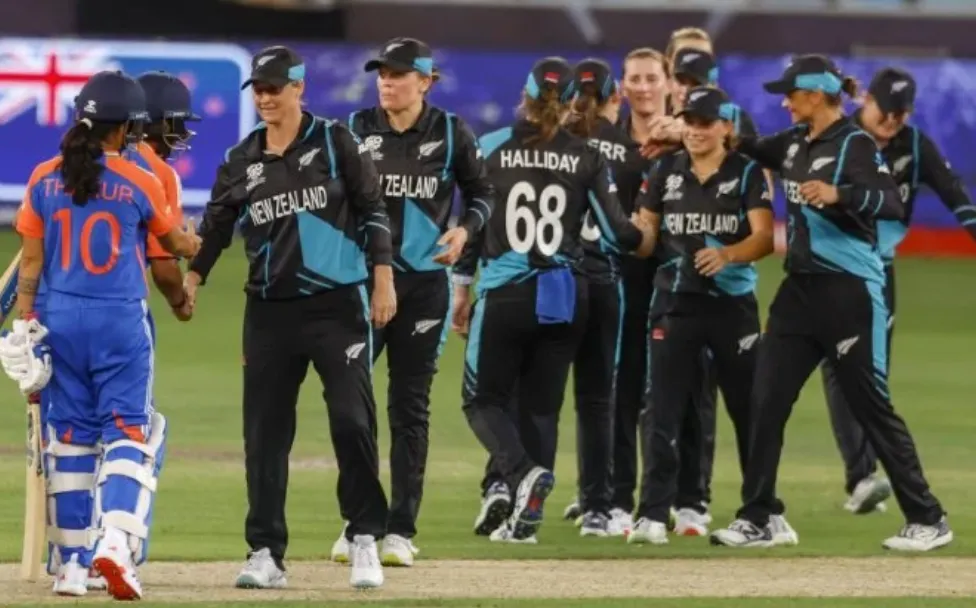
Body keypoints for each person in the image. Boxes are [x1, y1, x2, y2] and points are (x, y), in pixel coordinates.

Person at [710, 54, 952, 552]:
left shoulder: (855, 144)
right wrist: (712, 132)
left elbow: (888, 201)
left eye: (791, 93)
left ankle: (928, 518)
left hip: (850, 291)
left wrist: (839, 193)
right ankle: (759, 516)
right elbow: (751, 145)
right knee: (765, 398)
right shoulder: (794, 141)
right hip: (799, 292)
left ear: (816, 95)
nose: (784, 102)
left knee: (870, 406)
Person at [184, 45, 396, 589]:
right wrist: (193, 278)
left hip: (337, 304)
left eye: (274, 88)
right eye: (258, 89)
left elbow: (373, 208)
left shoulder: (336, 141)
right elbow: (216, 227)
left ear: (299, 88)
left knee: (353, 421)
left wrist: (383, 278)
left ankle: (364, 537)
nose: (264, 97)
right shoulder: (241, 158)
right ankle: (265, 552)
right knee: (265, 434)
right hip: (269, 313)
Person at [6, 70, 200, 600]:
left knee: (70, 439)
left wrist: (25, 326)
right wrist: (196, 243)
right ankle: (114, 541)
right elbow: (173, 244)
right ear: (128, 128)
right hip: (118, 321)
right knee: (130, 433)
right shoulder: (139, 179)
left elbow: (30, 264)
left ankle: (71, 566)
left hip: (58, 319)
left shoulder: (43, 177)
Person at [453, 56, 653, 544]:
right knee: (542, 408)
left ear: (523, 96)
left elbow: (475, 219)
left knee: (482, 399)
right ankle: (525, 523)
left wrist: (460, 286)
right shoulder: (587, 156)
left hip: (505, 289)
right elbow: (618, 235)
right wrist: (645, 226)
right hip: (565, 292)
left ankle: (521, 476)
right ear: (570, 104)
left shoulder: (491, 146)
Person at [330, 37, 495, 567]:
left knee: (408, 407)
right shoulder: (355, 129)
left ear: (426, 82)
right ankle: (359, 521)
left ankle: (399, 530)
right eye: (382, 73)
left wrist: (465, 230)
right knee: (350, 406)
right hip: (363, 283)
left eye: (398, 74)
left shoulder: (450, 132)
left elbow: (483, 194)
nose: (387, 82)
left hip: (425, 286)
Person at [821, 66, 976, 515]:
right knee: (838, 367)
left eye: (901, 114)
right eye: (885, 111)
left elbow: (953, 192)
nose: (892, 121)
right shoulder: (838, 137)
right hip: (831, 267)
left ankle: (869, 478)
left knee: (870, 373)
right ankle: (861, 477)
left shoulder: (914, 144)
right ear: (867, 101)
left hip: (879, 270)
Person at [629, 87, 774, 544]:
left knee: (748, 410)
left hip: (732, 305)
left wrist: (727, 255)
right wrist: (629, 232)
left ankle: (762, 512)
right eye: (688, 122)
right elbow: (647, 237)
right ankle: (652, 514)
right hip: (675, 301)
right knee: (663, 409)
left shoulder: (746, 172)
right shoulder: (664, 170)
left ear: (725, 127)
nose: (695, 131)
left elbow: (765, 238)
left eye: (705, 123)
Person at [557, 57, 650, 537]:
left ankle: (516, 493)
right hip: (609, 280)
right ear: (617, 96)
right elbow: (634, 231)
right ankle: (604, 503)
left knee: (538, 394)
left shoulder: (557, 146)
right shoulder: (632, 154)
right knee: (603, 399)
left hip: (555, 280)